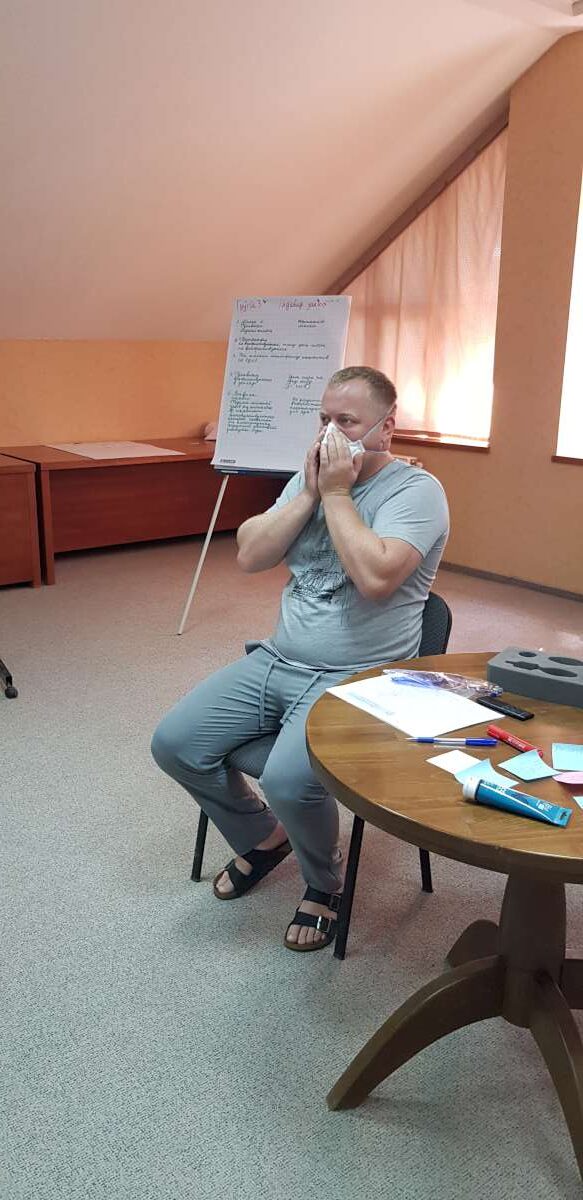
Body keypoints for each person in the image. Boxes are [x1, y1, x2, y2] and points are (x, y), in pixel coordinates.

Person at [151, 366, 449, 953]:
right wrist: (311, 492)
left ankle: (324, 884)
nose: (330, 434)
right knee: (175, 744)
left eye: (348, 422)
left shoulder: (416, 492)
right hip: (279, 659)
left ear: (387, 429)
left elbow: (377, 578)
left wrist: (337, 495)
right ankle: (265, 838)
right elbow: (250, 554)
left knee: (288, 779)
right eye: (323, 419)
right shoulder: (307, 480)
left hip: (358, 677)